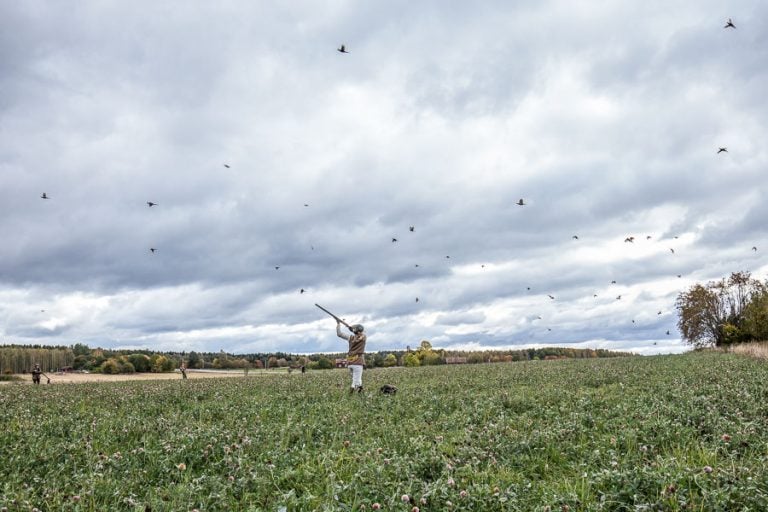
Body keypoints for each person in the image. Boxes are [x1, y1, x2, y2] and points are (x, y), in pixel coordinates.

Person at [336, 320, 367, 393]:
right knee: (355, 382)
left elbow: (339, 334)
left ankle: (361, 395)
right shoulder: (363, 338)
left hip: (350, 363)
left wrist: (338, 324)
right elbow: (361, 334)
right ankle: (350, 396)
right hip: (358, 363)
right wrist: (351, 328)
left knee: (358, 381)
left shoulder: (350, 338)